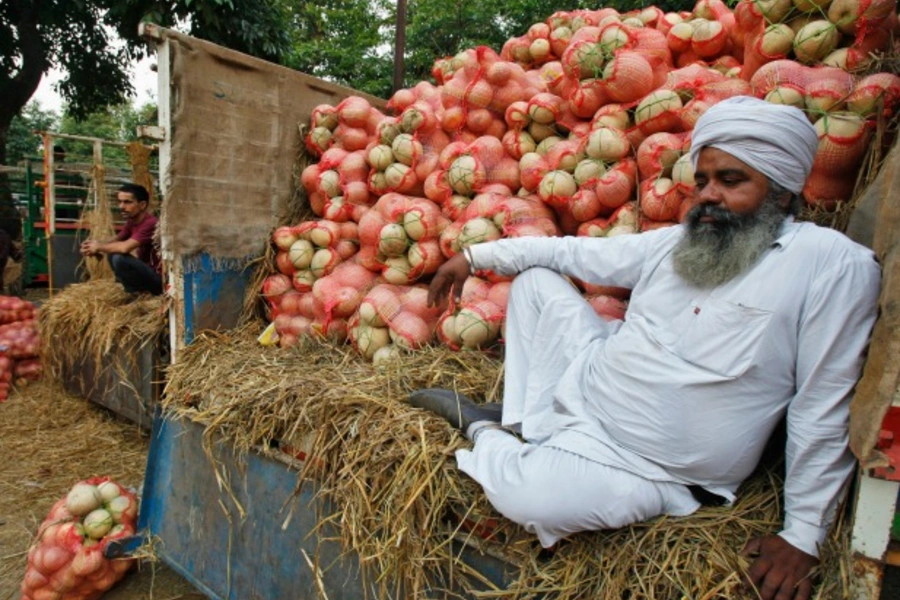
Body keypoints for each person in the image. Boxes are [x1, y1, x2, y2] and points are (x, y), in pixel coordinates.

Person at [409, 96, 881, 600]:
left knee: (534, 500)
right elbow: (568, 251)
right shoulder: (675, 244)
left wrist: (803, 534)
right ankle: (530, 422)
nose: (709, 196)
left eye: (732, 180)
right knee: (536, 281)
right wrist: (473, 255)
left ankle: (484, 429)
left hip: (654, 468)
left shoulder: (830, 264)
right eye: (702, 181)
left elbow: (823, 403)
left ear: (783, 192)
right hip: (592, 387)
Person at [80, 183, 162, 295]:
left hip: (158, 280)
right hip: (146, 273)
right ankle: (130, 288)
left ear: (142, 205)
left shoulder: (151, 223)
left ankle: (135, 294)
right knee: (112, 252)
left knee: (119, 257)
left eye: (127, 202)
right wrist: (93, 244)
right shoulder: (132, 221)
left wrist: (99, 247)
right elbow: (116, 240)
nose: (121, 206)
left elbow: (124, 248)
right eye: (120, 202)